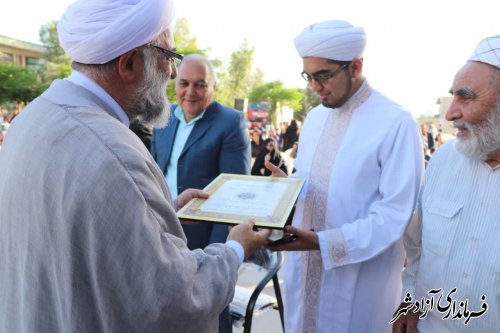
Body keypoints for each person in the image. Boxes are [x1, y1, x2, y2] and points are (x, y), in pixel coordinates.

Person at [0, 1, 270, 332]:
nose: (173, 73)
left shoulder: (32, 118)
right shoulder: (114, 152)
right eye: (168, 57)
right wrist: (236, 248)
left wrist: (158, 212)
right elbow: (174, 300)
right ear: (129, 64)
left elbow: (75, 222)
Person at [266, 20, 423, 333]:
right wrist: (289, 189)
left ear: (355, 66)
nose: (315, 86)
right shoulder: (313, 118)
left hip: (361, 283)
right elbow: (322, 185)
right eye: (308, 77)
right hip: (303, 273)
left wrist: (325, 244)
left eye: (323, 75)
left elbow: (395, 215)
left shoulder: (396, 123)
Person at [392, 35, 500, 333]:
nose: (451, 113)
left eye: (465, 97)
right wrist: (410, 299)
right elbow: (418, 250)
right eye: (453, 97)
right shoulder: (443, 159)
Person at [150, 54, 250, 333]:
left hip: (205, 240)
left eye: (200, 85)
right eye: (184, 83)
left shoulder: (230, 123)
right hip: (163, 231)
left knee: (211, 315)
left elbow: (235, 194)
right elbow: (154, 172)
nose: (190, 92)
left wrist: (220, 256)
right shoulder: (163, 117)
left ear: (213, 87)